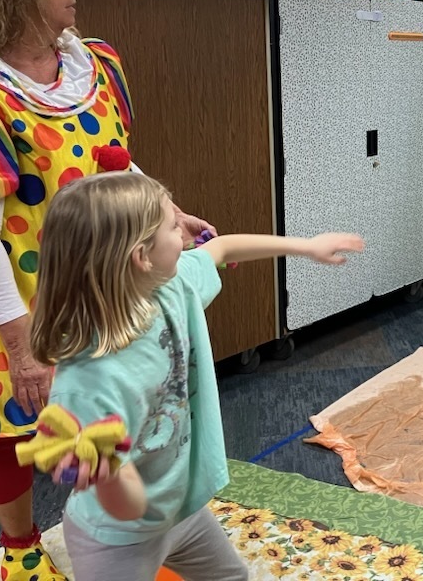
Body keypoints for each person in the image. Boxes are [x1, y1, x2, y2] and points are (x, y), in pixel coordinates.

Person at [0, 0, 213, 579]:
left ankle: (122, 529)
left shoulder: (97, 64)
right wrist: (22, 345)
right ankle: (22, 551)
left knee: (114, 409)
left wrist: (163, 210)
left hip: (104, 281)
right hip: (16, 287)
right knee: (12, 430)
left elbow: (117, 162)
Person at [29, 171, 365, 580]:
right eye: (173, 225)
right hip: (119, 539)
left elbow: (221, 248)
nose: (185, 228)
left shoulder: (170, 285)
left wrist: (308, 246)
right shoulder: (91, 381)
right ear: (141, 257)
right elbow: (128, 506)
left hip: (180, 512)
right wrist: (107, 471)